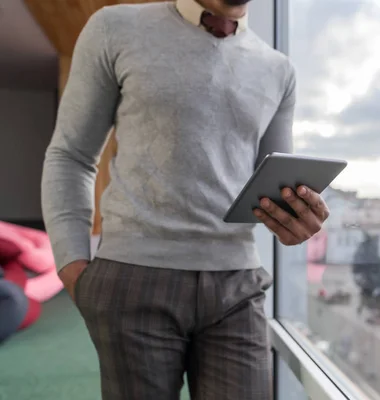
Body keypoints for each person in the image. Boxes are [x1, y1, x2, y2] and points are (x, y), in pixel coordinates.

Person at [41, 0, 330, 399]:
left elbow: (271, 187)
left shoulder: (278, 69)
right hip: (133, 277)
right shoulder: (114, 27)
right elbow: (71, 155)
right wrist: (72, 265)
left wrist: (296, 219)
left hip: (237, 285)